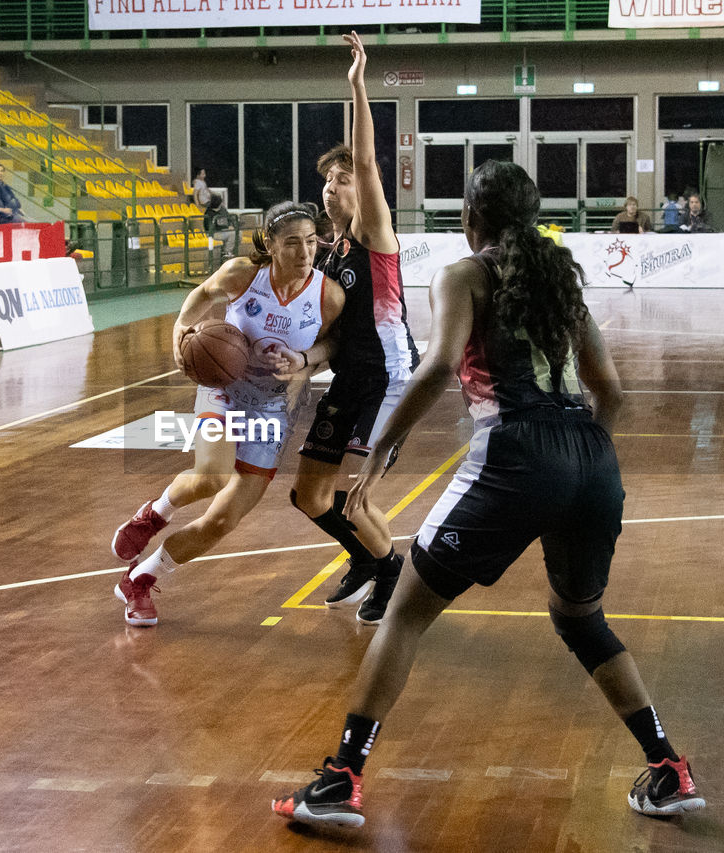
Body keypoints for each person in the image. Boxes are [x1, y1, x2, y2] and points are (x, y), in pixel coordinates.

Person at [272, 160, 704, 829]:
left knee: (406, 614)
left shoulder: (464, 273)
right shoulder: (562, 281)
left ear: (471, 219)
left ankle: (340, 780)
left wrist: (383, 446)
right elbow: (612, 393)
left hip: (514, 453)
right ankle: (669, 768)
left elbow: (439, 364)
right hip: (592, 459)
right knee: (581, 620)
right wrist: (578, 461)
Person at [111, 202, 345, 626]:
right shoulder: (243, 275)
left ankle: (141, 578)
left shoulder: (328, 295)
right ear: (271, 245)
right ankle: (156, 513)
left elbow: (332, 347)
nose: (305, 252)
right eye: (292, 243)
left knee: (222, 520)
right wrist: (180, 337)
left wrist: (304, 359)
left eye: (311, 242)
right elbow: (200, 297)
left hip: (274, 407)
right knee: (214, 474)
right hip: (225, 389)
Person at [291, 32, 418, 626]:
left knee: (358, 495)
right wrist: (305, 362)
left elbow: (368, 162)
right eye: (329, 179)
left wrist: (358, 85)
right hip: (350, 374)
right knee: (309, 495)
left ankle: (390, 570)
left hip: (389, 377)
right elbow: (336, 336)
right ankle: (369, 561)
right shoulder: (330, 254)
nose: (334, 184)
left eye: (342, 177)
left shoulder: (375, 235)